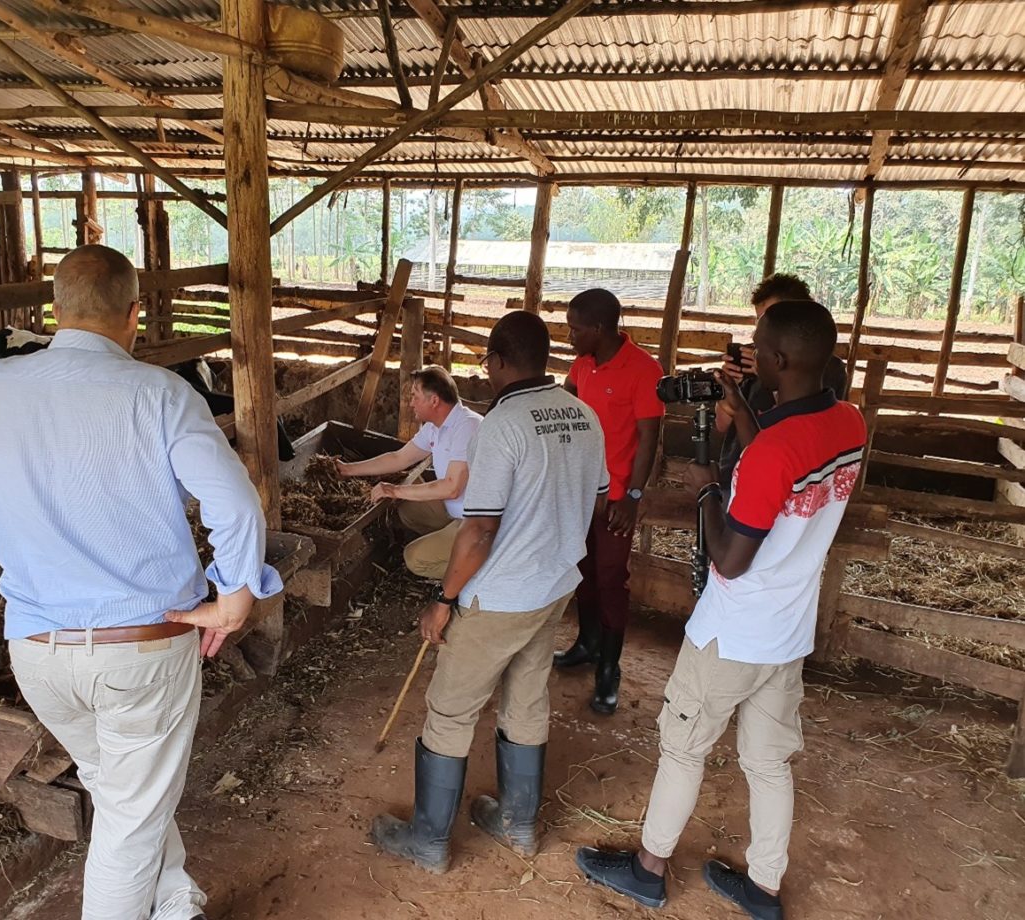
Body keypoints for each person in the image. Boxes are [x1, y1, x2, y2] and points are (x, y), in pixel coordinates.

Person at [0, 245, 283, 920]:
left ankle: (176, 902)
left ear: (54, 312)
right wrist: (235, 596)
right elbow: (234, 506)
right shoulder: (162, 394)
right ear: (134, 314)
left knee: (121, 792)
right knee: (131, 821)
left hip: (40, 655)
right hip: (142, 650)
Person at [575, 301, 867, 920]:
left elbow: (730, 559)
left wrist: (708, 480)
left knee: (682, 746)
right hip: (787, 633)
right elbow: (789, 468)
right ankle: (763, 887)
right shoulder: (848, 423)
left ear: (779, 360)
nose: (752, 354)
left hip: (732, 632)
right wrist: (746, 415)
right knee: (768, 762)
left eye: (759, 347)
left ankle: (649, 869)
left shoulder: (768, 456)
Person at [371, 311, 609, 874]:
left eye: (487, 362)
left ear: (498, 361)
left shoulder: (503, 425)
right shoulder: (584, 416)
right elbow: (597, 503)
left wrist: (445, 600)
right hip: (553, 588)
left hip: (500, 596)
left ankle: (429, 842)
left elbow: (478, 529)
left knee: (450, 710)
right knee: (526, 697)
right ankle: (518, 825)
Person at [557, 289, 664, 715]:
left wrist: (633, 496)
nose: (569, 336)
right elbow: (561, 402)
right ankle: (587, 643)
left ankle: (609, 668)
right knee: (581, 571)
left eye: (575, 328)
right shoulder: (582, 366)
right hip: (579, 492)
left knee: (610, 578)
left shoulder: (644, 370)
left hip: (617, 496)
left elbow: (649, 440)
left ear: (599, 328)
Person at [337, 365, 481, 581]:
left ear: (434, 401)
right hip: (454, 511)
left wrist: (395, 490)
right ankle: (450, 548)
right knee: (407, 508)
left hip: (478, 523)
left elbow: (452, 488)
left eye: (415, 396)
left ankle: (486, 570)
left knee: (414, 558)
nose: (410, 402)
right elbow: (400, 458)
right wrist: (348, 469)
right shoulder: (435, 426)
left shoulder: (467, 427)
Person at [717, 273, 848, 498]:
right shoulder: (750, 357)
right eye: (759, 320)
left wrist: (770, 375)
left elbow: (807, 432)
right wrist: (729, 388)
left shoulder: (826, 369)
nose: (762, 328)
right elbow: (721, 425)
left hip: (785, 484)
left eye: (769, 318)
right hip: (734, 474)